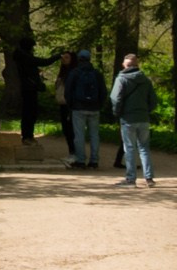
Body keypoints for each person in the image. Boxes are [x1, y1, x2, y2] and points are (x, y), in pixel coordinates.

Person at [110, 53, 158, 186]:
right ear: (137, 65)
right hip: (143, 118)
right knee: (144, 148)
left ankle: (131, 179)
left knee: (129, 148)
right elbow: (153, 101)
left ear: (124, 65)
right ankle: (149, 179)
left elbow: (115, 99)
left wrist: (117, 113)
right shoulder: (146, 80)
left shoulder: (121, 79)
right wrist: (145, 111)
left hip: (127, 118)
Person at [64, 50, 106, 169]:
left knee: (79, 135)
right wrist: (100, 104)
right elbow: (103, 91)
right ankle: (94, 161)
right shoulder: (97, 73)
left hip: (78, 108)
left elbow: (68, 91)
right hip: (94, 108)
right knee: (94, 135)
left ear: (79, 59)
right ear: (89, 59)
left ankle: (81, 160)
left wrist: (70, 105)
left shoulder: (75, 73)